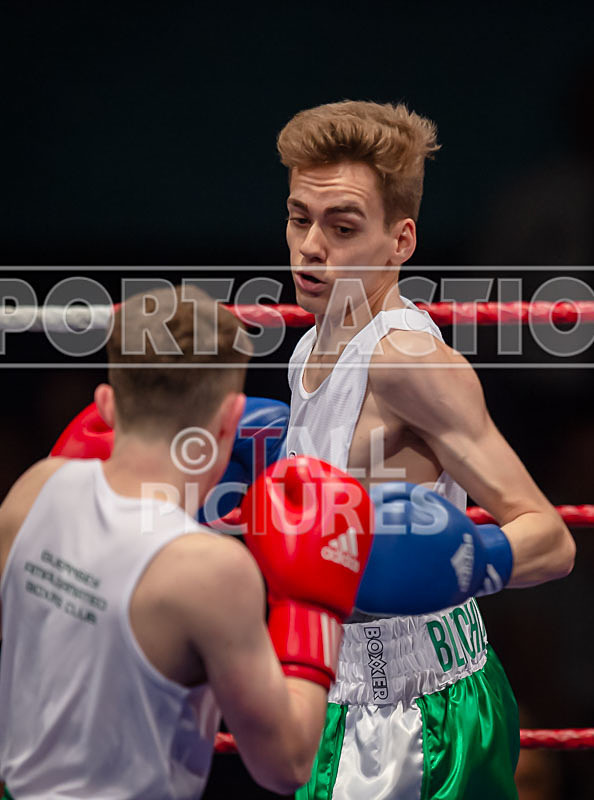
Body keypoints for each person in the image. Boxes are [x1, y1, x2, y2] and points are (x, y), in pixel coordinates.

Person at [277, 100, 577, 799]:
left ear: (400, 240)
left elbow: (552, 540)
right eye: (299, 217)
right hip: (335, 694)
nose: (311, 247)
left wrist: (464, 564)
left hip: (422, 718)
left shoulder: (409, 361)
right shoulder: (308, 347)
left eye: (342, 226)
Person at [0, 285, 374, 799]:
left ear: (105, 405)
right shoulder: (210, 570)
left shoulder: (33, 491)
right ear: (229, 422)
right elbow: (286, 764)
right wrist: (314, 606)